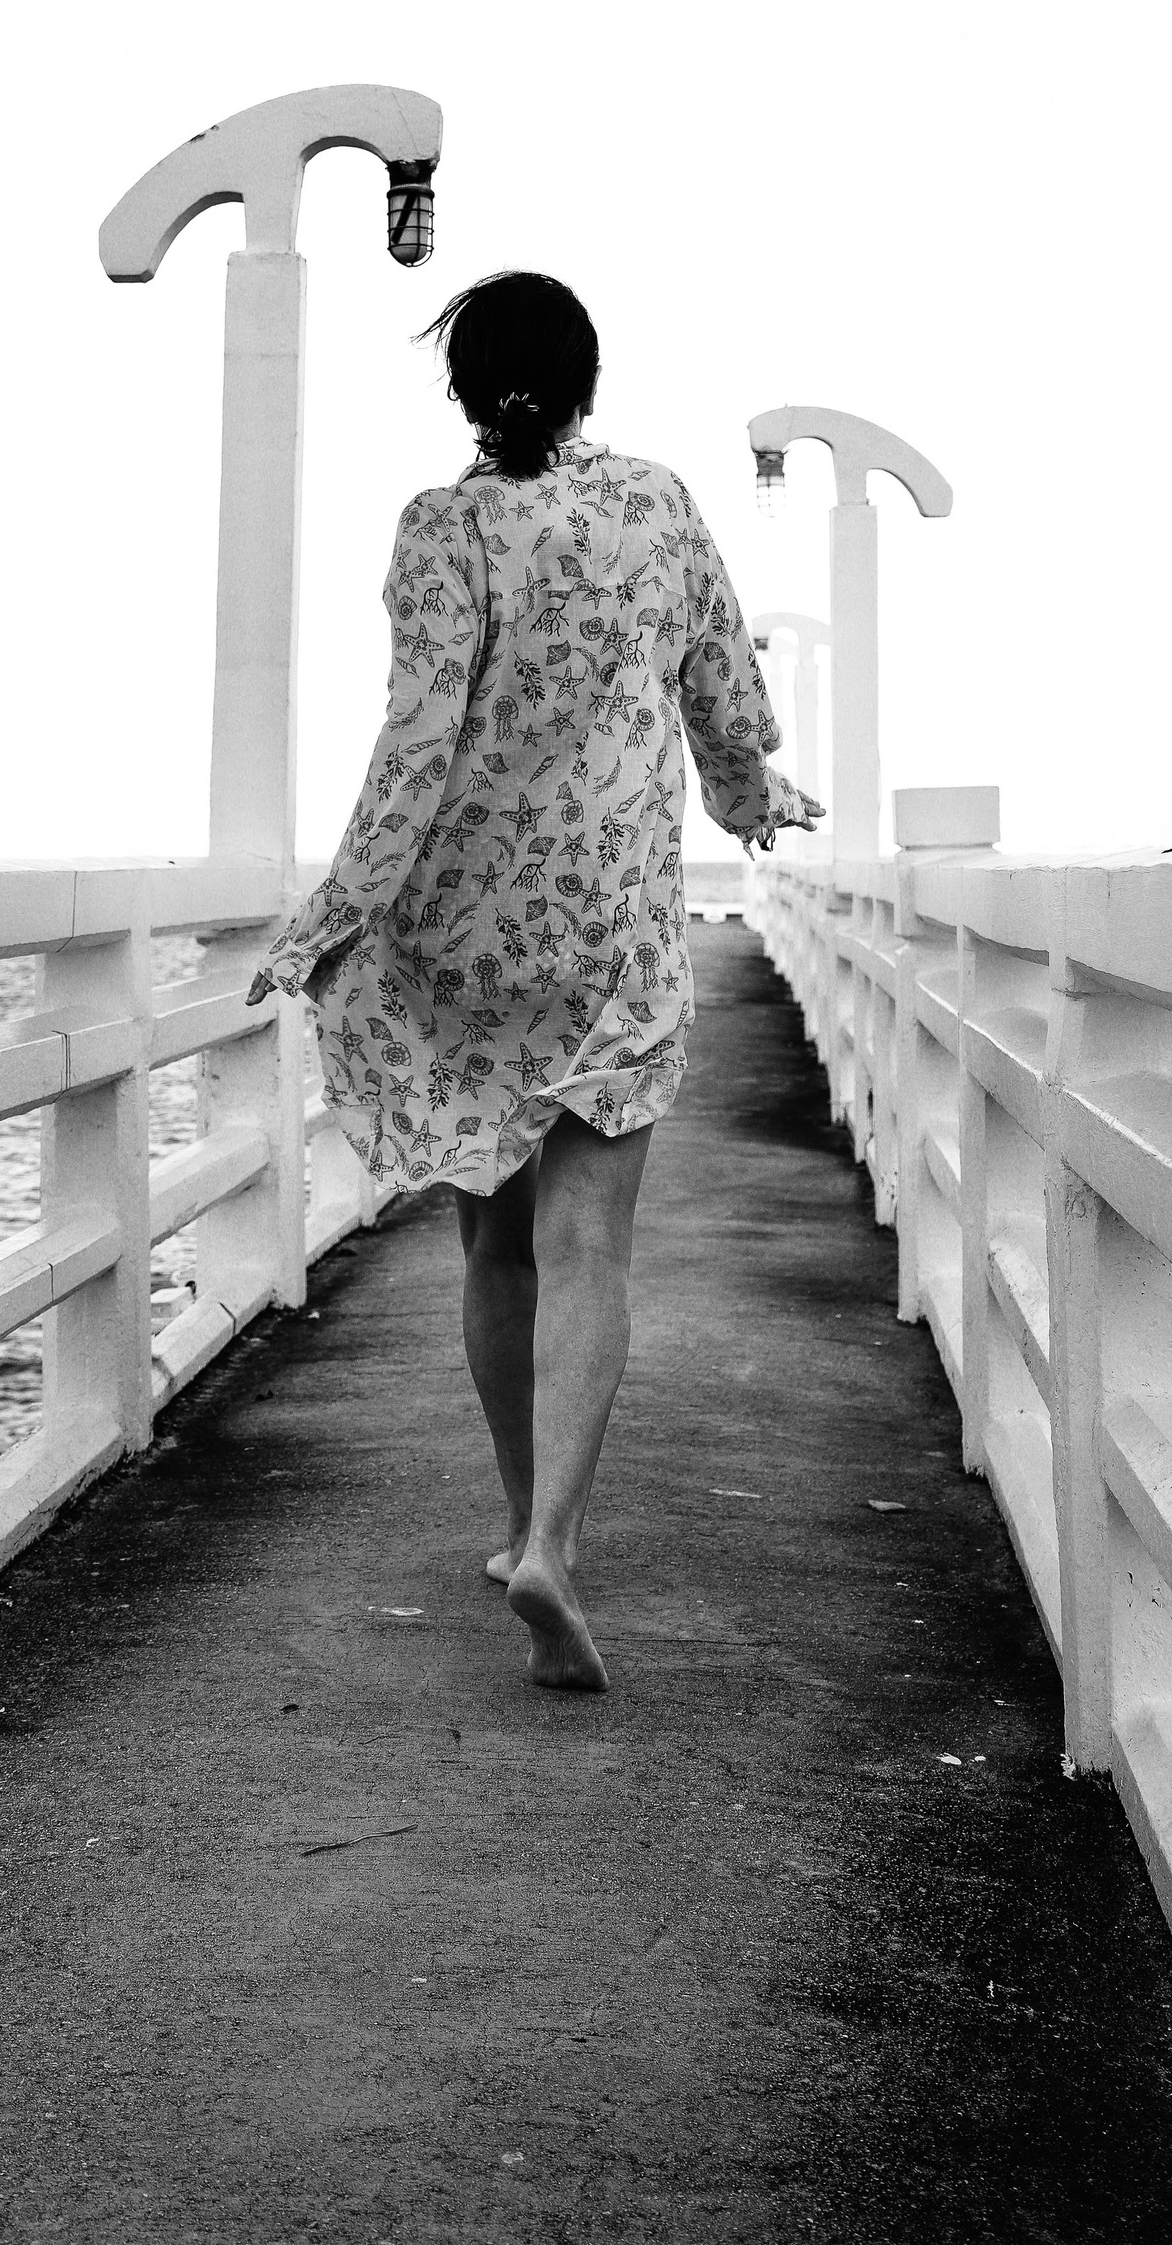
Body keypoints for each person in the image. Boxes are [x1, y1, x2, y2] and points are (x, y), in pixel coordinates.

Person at [246, 272, 821, 1691]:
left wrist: (336, 910)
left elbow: (416, 742)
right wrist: (751, 794)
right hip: (613, 934)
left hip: (466, 940)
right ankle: (558, 1540)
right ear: (588, 381)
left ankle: (515, 1523)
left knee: (495, 1248)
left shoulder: (442, 528)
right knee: (590, 1249)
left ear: (464, 394)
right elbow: (722, 700)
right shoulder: (658, 506)